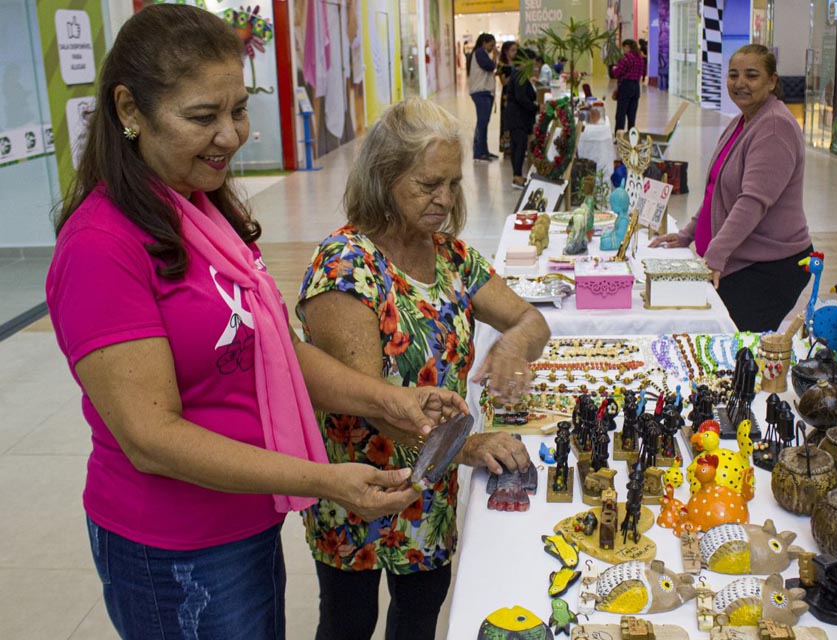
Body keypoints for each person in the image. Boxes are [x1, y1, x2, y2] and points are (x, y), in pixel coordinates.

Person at [44, 6, 468, 639]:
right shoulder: (102, 246)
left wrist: (391, 399)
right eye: (202, 117)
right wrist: (325, 480)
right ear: (129, 110)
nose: (231, 136)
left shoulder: (198, 213)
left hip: (244, 523)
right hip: (176, 549)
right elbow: (150, 436)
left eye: (238, 110)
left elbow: (271, 350)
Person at [298, 97, 551, 640]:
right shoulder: (347, 264)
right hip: (361, 486)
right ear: (385, 179)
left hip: (430, 487)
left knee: (418, 617)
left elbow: (532, 319)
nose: (445, 199)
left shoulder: (451, 257)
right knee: (348, 621)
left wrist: (513, 344)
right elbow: (371, 406)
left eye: (453, 184)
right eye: (427, 184)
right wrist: (471, 448)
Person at [649, 44, 812, 332]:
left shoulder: (774, 127)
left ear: (772, 81)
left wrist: (714, 257)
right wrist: (687, 234)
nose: (740, 84)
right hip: (745, 260)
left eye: (752, 75)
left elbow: (751, 203)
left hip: (770, 267)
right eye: (733, 75)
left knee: (731, 347)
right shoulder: (743, 122)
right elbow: (718, 192)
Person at [504, 49, 541, 189]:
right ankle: (517, 177)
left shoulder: (520, 74)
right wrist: (535, 107)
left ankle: (517, 175)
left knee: (516, 145)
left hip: (516, 116)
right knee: (519, 145)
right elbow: (521, 97)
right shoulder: (520, 74)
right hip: (517, 116)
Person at [467, 33, 498, 162]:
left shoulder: (482, 53)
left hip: (485, 92)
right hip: (481, 92)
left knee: (484, 122)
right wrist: (496, 56)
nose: (493, 48)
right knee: (482, 122)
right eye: (491, 45)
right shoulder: (480, 52)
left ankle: (484, 151)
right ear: (484, 43)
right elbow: (490, 66)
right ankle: (479, 152)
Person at [611, 39, 644, 132]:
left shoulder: (626, 57)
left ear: (627, 47)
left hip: (626, 86)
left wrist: (614, 68)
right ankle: (631, 136)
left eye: (624, 48)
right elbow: (642, 72)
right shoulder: (640, 58)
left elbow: (617, 72)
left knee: (621, 113)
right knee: (632, 114)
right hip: (636, 87)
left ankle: (619, 136)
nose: (623, 50)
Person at [497, 40, 519, 154]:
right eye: (512, 50)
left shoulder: (518, 63)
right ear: (506, 51)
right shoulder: (502, 65)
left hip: (518, 94)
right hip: (507, 95)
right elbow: (503, 82)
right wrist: (515, 74)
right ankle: (507, 146)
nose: (515, 53)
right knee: (506, 120)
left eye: (516, 50)